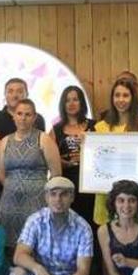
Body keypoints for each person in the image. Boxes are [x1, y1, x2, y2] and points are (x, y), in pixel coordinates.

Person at [92, 79, 138, 275]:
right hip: (105, 195)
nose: (121, 100)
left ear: (133, 98)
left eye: (125, 95)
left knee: (137, 241)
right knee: (109, 245)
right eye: (117, 95)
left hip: (135, 195)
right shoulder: (100, 127)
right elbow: (96, 162)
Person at [0, 99, 61, 250]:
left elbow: (56, 174)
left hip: (37, 204)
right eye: (19, 113)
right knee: (9, 250)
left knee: (36, 247)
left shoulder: (44, 139)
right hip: (9, 206)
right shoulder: (5, 141)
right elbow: (2, 176)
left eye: (28, 114)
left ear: (34, 117)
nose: (23, 118)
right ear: (13, 116)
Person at [0, 78, 46, 213]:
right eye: (10, 91)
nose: (15, 95)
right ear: (5, 95)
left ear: (27, 95)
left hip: (34, 185)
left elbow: (39, 149)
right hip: (2, 184)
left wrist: (4, 146)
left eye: (19, 91)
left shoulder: (38, 119)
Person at [50, 86, 95, 225]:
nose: (71, 103)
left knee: (90, 222)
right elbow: (50, 160)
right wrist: (63, 163)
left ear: (82, 102)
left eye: (75, 99)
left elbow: (103, 153)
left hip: (91, 183)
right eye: (67, 100)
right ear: (63, 104)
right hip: (67, 183)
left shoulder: (94, 126)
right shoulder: (55, 130)